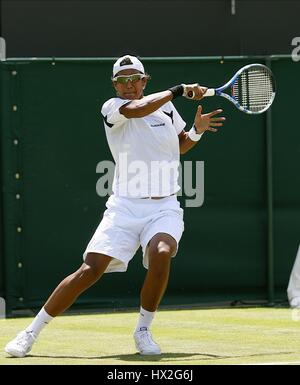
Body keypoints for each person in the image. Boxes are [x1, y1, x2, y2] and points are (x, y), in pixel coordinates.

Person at [4, 54, 225, 357]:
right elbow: (138, 110)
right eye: (122, 81)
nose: (129, 85)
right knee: (90, 270)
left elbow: (180, 145)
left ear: (145, 81)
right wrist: (179, 89)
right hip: (123, 208)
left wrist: (196, 131)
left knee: (161, 253)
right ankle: (30, 333)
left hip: (164, 207)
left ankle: (143, 331)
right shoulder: (113, 107)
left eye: (135, 79)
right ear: (114, 85)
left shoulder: (168, 109)